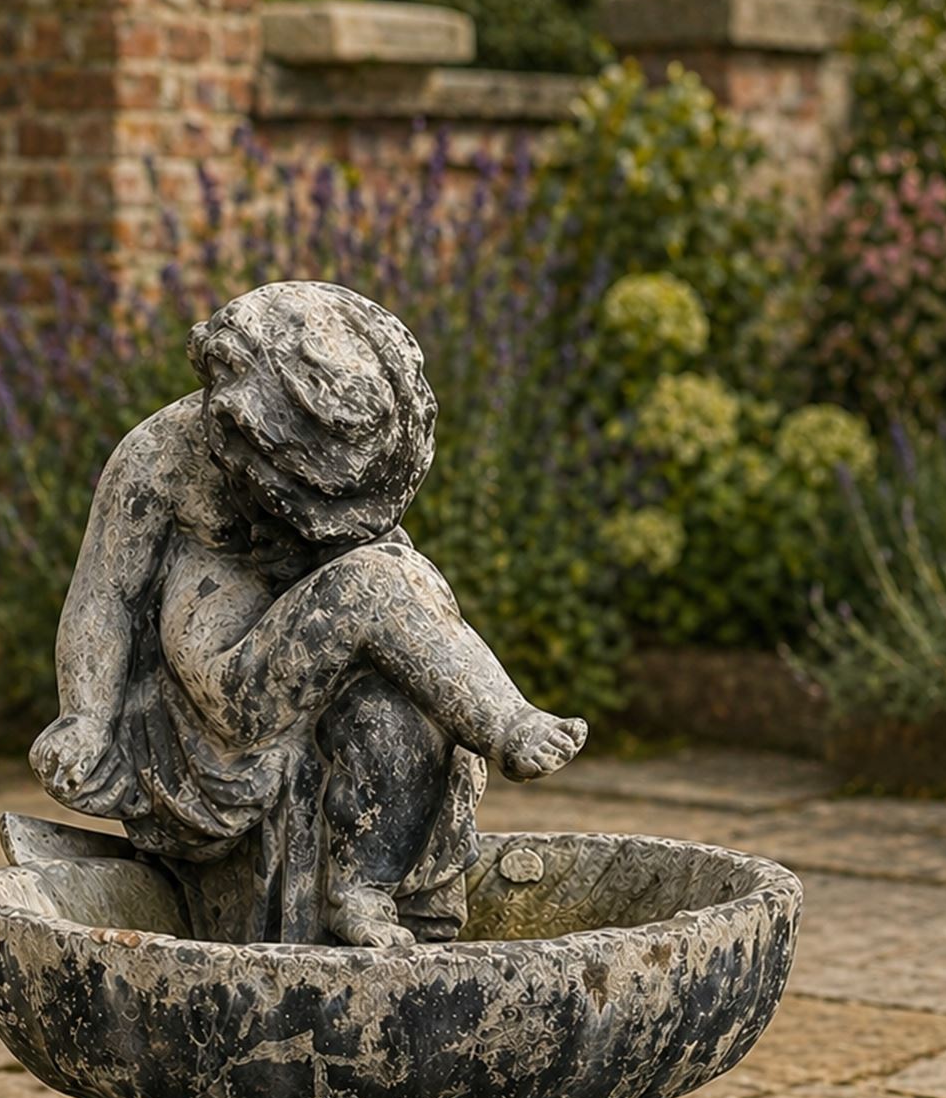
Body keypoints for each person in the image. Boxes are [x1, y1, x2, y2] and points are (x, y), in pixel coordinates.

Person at [31, 280, 585, 945]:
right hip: (231, 695)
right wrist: (86, 720)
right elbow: (104, 596)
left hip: (317, 658)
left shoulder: (352, 464)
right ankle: (506, 720)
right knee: (382, 578)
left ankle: (362, 890)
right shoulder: (159, 460)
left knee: (402, 708)